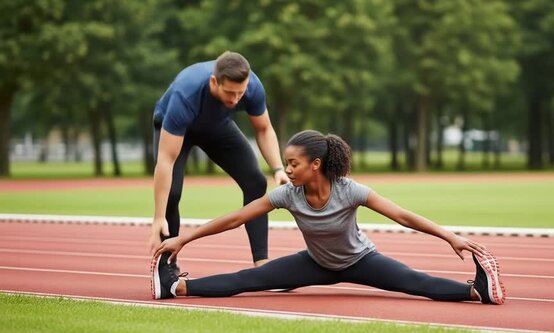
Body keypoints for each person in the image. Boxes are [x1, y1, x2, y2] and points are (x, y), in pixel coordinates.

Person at [151, 130, 506, 305]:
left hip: (360, 260)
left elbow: (401, 215)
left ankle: (479, 292)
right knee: (250, 279)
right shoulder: (287, 195)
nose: (286, 170)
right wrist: (184, 238)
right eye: (286, 163)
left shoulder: (348, 190)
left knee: (417, 283)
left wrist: (450, 237)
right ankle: (175, 286)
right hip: (316, 263)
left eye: (293, 164)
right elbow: (236, 217)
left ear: (316, 165)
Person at [149, 51, 289, 275]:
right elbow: (166, 160)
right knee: (171, 194)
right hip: (176, 130)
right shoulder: (186, 94)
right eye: (230, 93)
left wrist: (278, 168)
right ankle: (167, 267)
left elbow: (263, 128)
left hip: (216, 127)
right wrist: (158, 217)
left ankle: (261, 264)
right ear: (214, 82)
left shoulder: (252, 87)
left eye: (240, 94)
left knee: (255, 181)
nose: (235, 100)